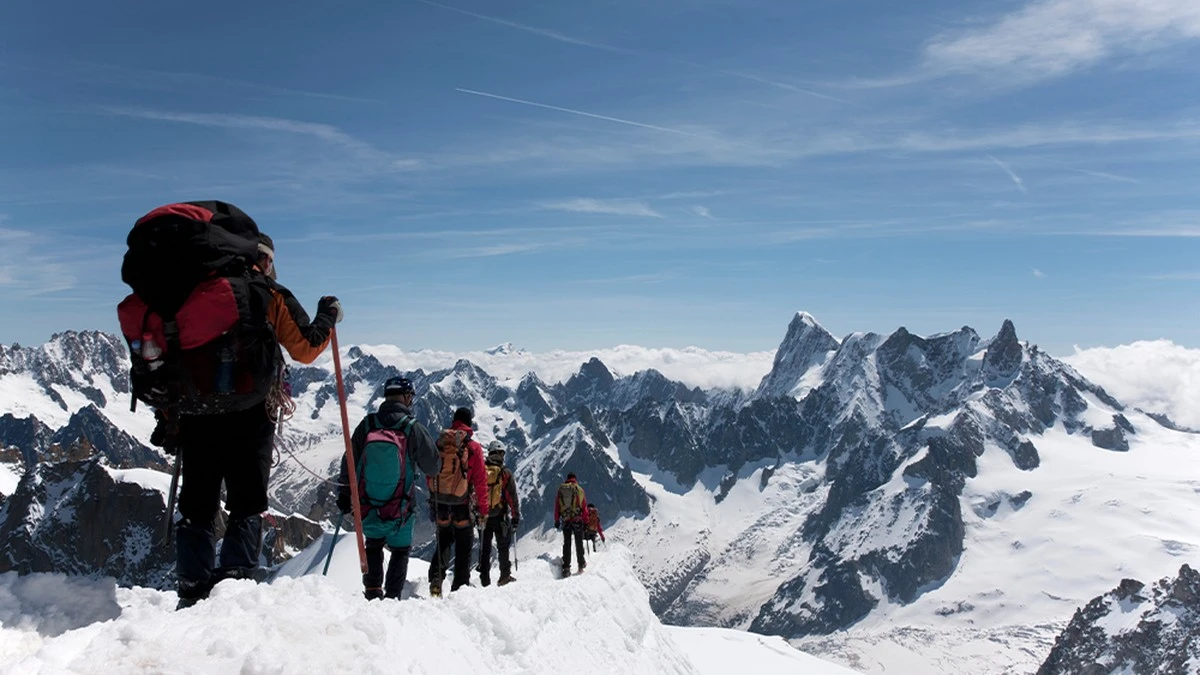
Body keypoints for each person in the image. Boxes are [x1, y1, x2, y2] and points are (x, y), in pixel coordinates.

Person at [173, 228, 343, 609]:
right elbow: (305, 347)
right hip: (251, 413)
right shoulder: (268, 294)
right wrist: (327, 314)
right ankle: (235, 581)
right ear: (264, 258)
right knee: (246, 501)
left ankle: (191, 587)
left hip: (196, 413)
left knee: (198, 501)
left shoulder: (189, 294)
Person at [336, 377, 438, 600]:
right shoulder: (412, 428)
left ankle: (372, 592)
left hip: (368, 503)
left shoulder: (368, 424)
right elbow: (433, 465)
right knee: (400, 551)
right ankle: (392, 597)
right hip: (401, 505)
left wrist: (344, 493)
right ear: (406, 397)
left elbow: (350, 459)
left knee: (373, 545)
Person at [426, 407, 488, 596]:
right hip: (462, 504)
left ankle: (436, 578)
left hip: (441, 503)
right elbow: (480, 481)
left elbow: (430, 473)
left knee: (443, 540)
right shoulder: (473, 447)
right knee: (464, 543)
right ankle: (460, 587)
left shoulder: (440, 443)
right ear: (469, 423)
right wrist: (483, 509)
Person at [478, 441, 521, 587]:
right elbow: (512, 497)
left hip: (483, 516)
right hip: (500, 515)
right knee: (503, 546)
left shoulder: (481, 470)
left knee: (485, 548)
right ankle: (504, 575)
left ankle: (484, 579)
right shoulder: (505, 473)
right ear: (501, 454)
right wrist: (516, 516)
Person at [554, 472, 589, 577]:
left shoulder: (561, 490)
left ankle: (566, 567)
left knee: (567, 543)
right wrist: (586, 522)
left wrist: (556, 520)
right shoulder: (580, 490)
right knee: (579, 542)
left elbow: (557, 507)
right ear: (575, 479)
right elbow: (584, 508)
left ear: (567, 479)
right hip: (577, 520)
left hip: (566, 520)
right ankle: (581, 564)